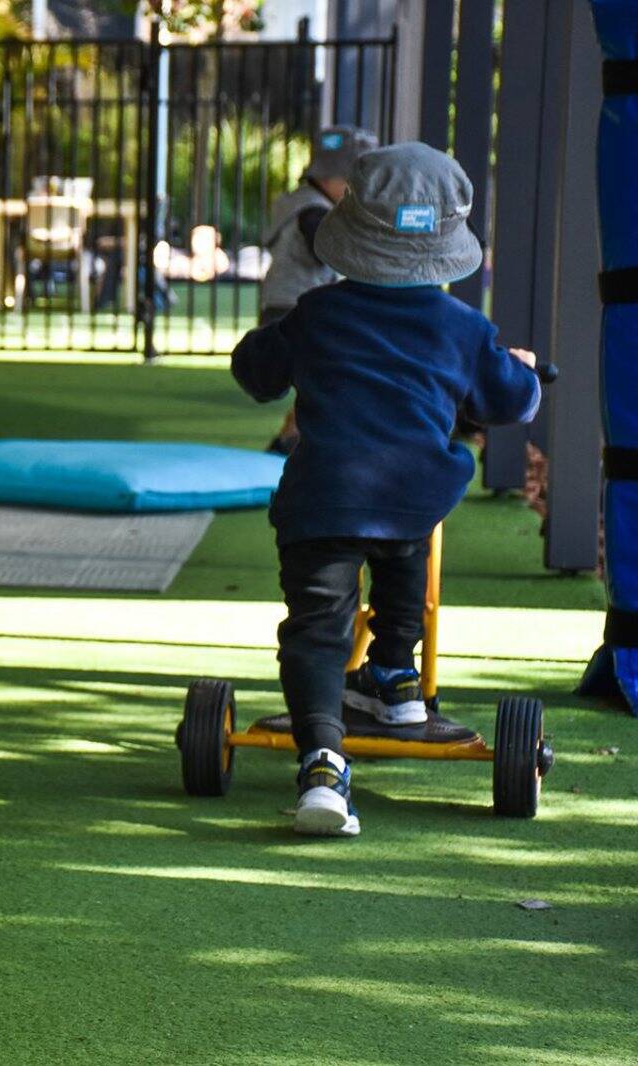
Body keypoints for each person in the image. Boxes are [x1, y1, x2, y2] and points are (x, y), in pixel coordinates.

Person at [231, 143, 542, 837]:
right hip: (411, 494)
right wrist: (516, 367)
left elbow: (256, 373)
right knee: (407, 562)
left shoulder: (316, 313)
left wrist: (267, 346)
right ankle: (398, 678)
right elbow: (510, 400)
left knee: (315, 630)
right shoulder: (463, 328)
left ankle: (322, 762)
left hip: (321, 497)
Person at [258, 125, 379, 454]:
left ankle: (291, 436)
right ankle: (295, 436)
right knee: (336, 370)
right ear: (330, 179)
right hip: (294, 309)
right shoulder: (312, 212)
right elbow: (325, 248)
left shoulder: (300, 203)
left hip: (288, 306)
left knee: (322, 379)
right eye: (351, 184)